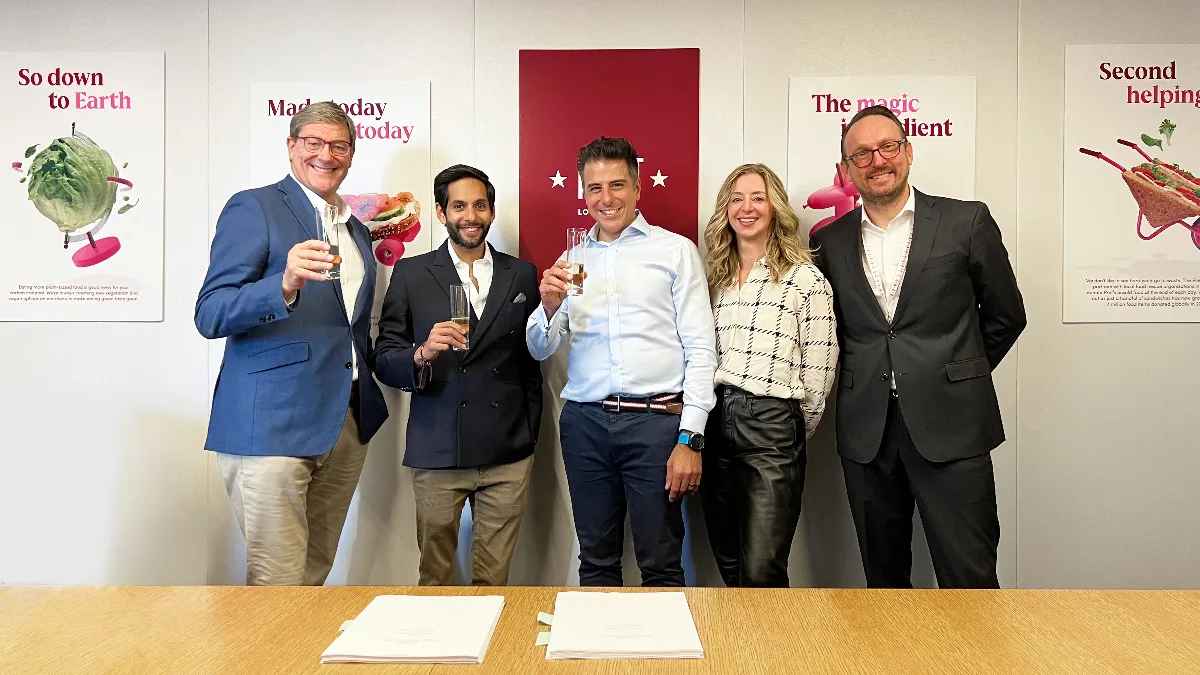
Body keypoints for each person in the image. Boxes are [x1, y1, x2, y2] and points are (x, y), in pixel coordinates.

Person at [810, 105, 1026, 589]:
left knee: (968, 576)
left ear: (908, 152)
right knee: (883, 584)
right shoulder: (828, 241)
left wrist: (953, 373)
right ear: (846, 171)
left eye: (887, 146)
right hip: (868, 433)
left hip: (953, 424)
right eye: (861, 153)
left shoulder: (965, 221)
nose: (876, 160)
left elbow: (1007, 315)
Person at [195, 101, 388, 585]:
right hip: (272, 426)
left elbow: (350, 326)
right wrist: (281, 283)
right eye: (314, 143)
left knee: (312, 581)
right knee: (277, 586)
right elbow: (211, 312)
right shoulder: (254, 206)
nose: (327, 155)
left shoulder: (357, 229)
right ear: (291, 147)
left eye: (339, 145)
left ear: (352, 154)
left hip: (343, 423)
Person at [526, 136, 717, 587]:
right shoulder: (571, 261)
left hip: (656, 425)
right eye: (594, 188)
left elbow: (701, 349)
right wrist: (550, 306)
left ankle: (660, 660)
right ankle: (600, 660)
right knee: (595, 562)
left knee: (661, 564)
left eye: (617, 185)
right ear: (582, 192)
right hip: (585, 425)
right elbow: (540, 349)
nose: (606, 199)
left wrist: (691, 437)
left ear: (637, 188)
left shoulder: (675, 252)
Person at [374, 164, 542, 586]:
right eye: (460, 205)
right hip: (438, 449)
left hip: (507, 451)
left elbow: (530, 362)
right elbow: (384, 356)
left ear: (491, 211)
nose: (471, 215)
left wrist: (528, 433)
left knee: (494, 581)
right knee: (435, 578)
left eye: (480, 205)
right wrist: (422, 353)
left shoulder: (521, 274)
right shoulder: (412, 273)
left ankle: (493, 653)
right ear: (440, 212)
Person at [701, 163, 838, 587]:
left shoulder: (805, 279)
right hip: (714, 426)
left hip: (773, 429)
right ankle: (743, 654)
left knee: (762, 571)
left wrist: (788, 429)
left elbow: (820, 368)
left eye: (757, 198)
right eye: (736, 199)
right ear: (725, 210)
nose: (747, 208)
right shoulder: (715, 281)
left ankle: (771, 654)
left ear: (774, 207)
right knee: (729, 564)